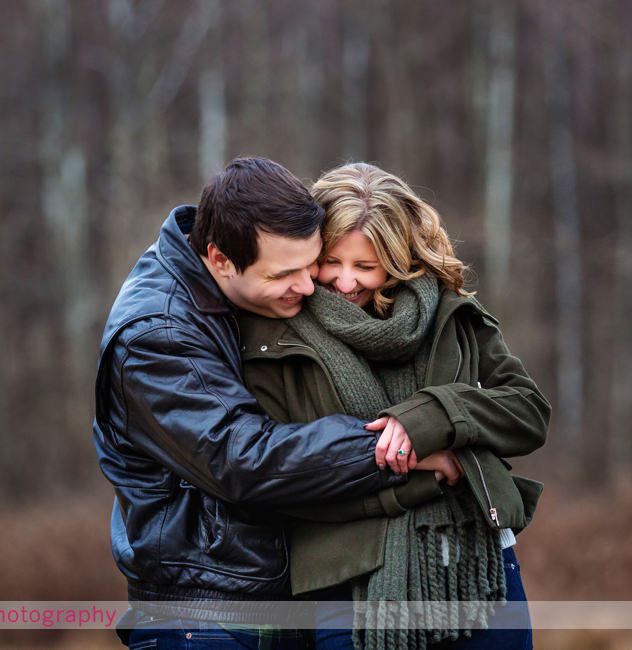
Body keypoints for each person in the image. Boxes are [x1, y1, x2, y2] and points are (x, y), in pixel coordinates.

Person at [92, 157, 448, 649]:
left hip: (275, 608)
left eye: (310, 265)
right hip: (208, 619)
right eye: (285, 274)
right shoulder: (157, 334)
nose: (308, 288)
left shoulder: (236, 288)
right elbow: (243, 458)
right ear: (219, 259)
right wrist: (395, 448)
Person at [239, 162, 551, 649]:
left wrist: (433, 417)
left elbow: (527, 412)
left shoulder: (450, 314)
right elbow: (285, 472)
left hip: (478, 574)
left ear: (401, 256)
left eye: (365, 266)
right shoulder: (276, 336)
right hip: (346, 586)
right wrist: (427, 472)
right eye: (331, 262)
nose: (345, 282)